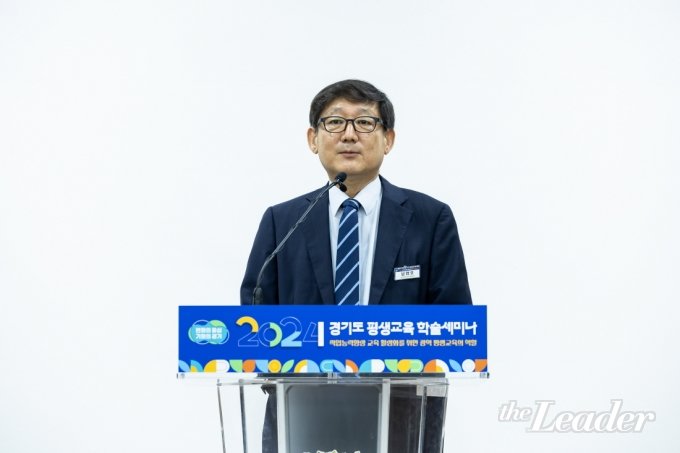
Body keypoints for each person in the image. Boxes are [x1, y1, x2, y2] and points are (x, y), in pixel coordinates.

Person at [240, 79, 472, 453]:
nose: (349, 135)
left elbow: (455, 323)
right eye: (335, 122)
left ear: (388, 139)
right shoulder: (282, 223)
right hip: (302, 414)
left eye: (364, 122)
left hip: (402, 417)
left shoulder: (430, 219)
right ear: (313, 139)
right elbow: (254, 316)